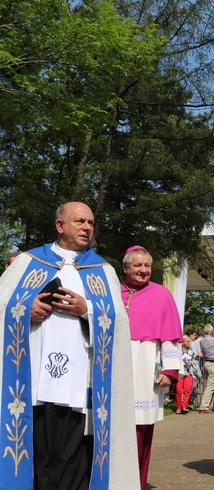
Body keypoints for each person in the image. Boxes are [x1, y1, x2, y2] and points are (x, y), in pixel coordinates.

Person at [0, 202, 138, 488]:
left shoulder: (101, 270)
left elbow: (119, 322)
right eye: (80, 221)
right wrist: (26, 310)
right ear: (60, 225)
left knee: (73, 457)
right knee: (34, 451)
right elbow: (3, 305)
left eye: (90, 222)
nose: (87, 227)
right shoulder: (28, 263)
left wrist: (86, 309)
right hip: (31, 384)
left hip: (80, 385)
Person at [121, 245, 183, 489]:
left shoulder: (161, 294)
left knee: (140, 426)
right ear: (126, 268)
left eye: (147, 266)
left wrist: (169, 371)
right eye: (138, 265)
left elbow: (169, 336)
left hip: (147, 363)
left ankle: (136, 481)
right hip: (117, 362)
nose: (144, 270)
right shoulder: (112, 291)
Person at [198, 323, 214, 413]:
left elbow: (210, 336)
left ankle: (209, 405)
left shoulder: (202, 340)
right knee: (211, 386)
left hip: (207, 363)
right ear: (212, 331)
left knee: (211, 385)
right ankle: (204, 406)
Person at [176, 337, 197, 415]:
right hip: (180, 373)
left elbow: (195, 361)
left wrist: (192, 363)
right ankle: (178, 407)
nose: (189, 343)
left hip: (189, 373)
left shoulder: (191, 352)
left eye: (190, 341)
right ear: (183, 342)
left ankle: (184, 406)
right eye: (187, 341)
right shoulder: (178, 352)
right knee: (178, 390)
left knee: (187, 390)